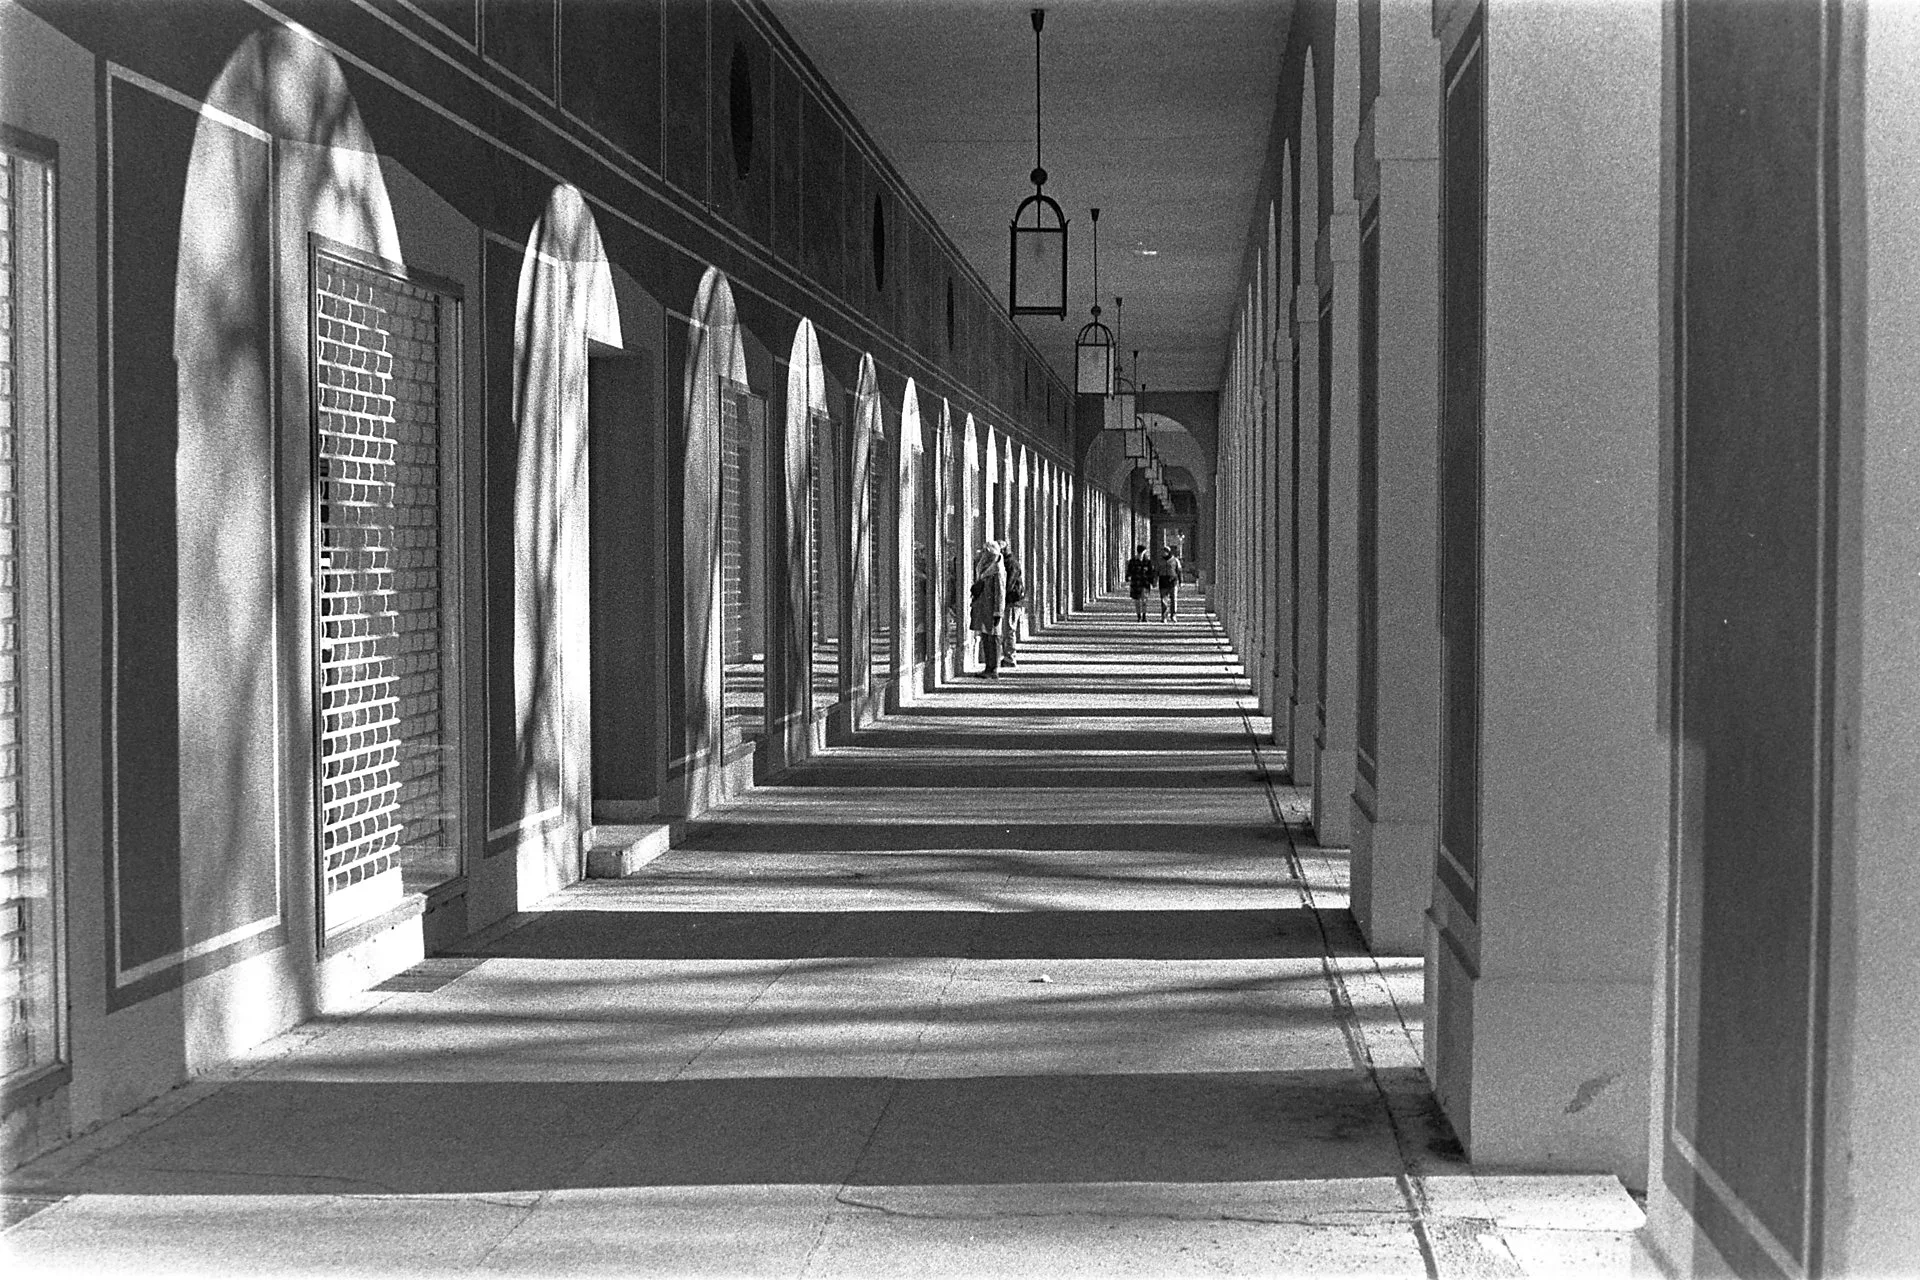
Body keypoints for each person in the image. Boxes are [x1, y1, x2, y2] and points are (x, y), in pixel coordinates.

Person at [968, 542, 1006, 676]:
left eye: (986, 552)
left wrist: (998, 612)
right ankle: (988, 667)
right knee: (985, 636)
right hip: (983, 606)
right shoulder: (984, 567)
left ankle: (994, 668)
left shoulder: (997, 569)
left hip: (991, 608)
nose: (983, 554)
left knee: (994, 636)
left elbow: (1000, 592)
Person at [1000, 541, 1026, 667]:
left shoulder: (1010, 564)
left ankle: (1010, 658)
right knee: (1008, 630)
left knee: (1009, 629)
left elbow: (1009, 584)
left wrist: (1002, 596)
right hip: (1014, 602)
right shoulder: (1010, 562)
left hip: (1012, 602)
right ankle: (1008, 656)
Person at [1125, 544, 1155, 620]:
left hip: (1145, 584)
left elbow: (1151, 572)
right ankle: (1139, 616)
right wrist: (1127, 577)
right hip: (1136, 583)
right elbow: (1129, 571)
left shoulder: (1148, 562)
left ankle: (1144, 616)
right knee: (1137, 601)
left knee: (1144, 600)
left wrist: (1152, 582)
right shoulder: (1132, 561)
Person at [1157, 543, 1183, 621]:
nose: (1163, 553)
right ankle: (1164, 616)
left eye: (1165, 551)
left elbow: (1179, 571)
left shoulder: (1175, 560)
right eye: (1163, 551)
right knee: (1164, 600)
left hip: (1172, 582)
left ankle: (1173, 615)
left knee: (1173, 600)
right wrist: (1154, 580)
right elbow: (1156, 571)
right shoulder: (1160, 561)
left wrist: (1180, 581)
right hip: (1163, 582)